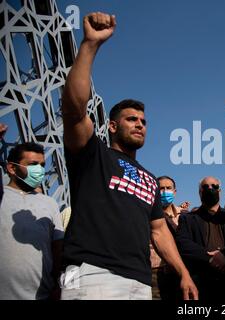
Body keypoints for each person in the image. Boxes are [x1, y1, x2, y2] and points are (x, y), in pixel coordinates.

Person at [60, 12, 197, 300]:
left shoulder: (149, 178)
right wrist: (90, 45)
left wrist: (183, 273)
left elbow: (159, 232)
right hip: (93, 274)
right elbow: (74, 111)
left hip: (139, 280)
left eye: (144, 121)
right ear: (112, 126)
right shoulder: (93, 154)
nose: (140, 124)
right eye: (132, 119)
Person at [0, 142, 64, 299]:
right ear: (11, 168)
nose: (40, 170)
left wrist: (62, 288)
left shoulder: (49, 203)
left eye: (42, 165)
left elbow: (59, 251)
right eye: (33, 164)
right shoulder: (2, 197)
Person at [176, 177, 225, 301]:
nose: (210, 189)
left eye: (214, 186)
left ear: (220, 192)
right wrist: (211, 258)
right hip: (202, 285)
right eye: (205, 187)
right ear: (200, 192)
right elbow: (182, 243)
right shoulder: (188, 219)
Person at [150, 175, 190, 300]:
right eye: (161, 188)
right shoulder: (147, 213)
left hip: (181, 272)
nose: (164, 191)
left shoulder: (184, 215)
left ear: (174, 192)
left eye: (168, 188)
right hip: (156, 273)